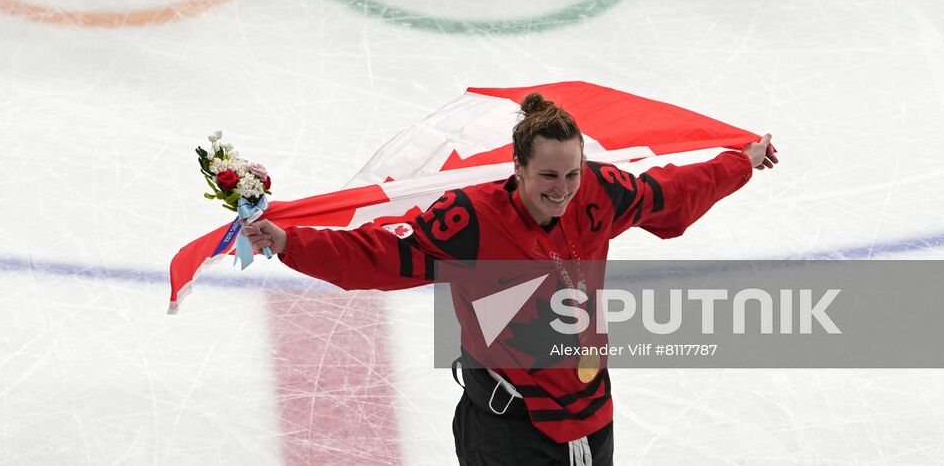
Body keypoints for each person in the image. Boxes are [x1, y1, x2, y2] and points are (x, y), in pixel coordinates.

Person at [243, 93, 776, 466]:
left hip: (591, 410)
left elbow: (674, 191)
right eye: (548, 175)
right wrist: (291, 242)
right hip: (507, 430)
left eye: (572, 173)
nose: (563, 188)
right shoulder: (469, 221)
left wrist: (740, 162)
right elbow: (383, 255)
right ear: (517, 168)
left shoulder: (600, 190)